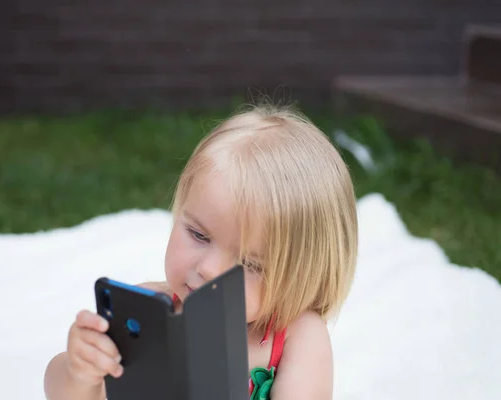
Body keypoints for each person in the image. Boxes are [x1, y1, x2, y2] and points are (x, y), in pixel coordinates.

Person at [43, 103, 358, 400]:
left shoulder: (298, 338)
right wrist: (80, 372)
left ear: (304, 273)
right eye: (197, 234)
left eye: (250, 264)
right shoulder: (150, 313)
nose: (209, 269)